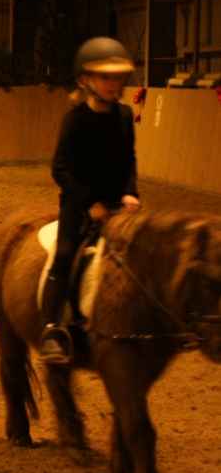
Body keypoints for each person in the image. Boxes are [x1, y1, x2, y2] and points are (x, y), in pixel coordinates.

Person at [40, 37, 141, 364]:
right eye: (105, 77)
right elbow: (60, 169)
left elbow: (129, 160)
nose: (113, 84)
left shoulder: (124, 115)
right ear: (85, 80)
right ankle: (53, 329)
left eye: (117, 78)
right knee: (65, 255)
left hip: (117, 206)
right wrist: (89, 204)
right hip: (79, 206)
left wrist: (130, 192)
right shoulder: (75, 120)